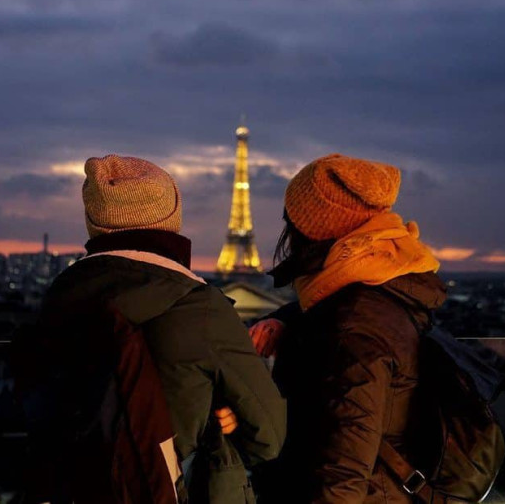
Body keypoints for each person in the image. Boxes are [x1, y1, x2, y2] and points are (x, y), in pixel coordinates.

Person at [38, 155, 286, 503]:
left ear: (94, 221)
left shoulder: (55, 304)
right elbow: (270, 437)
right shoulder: (201, 308)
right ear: (173, 218)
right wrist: (224, 424)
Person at [250, 154, 447, 503]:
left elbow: (343, 467)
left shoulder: (353, 327)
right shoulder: (384, 286)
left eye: (291, 221)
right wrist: (288, 320)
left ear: (313, 230)